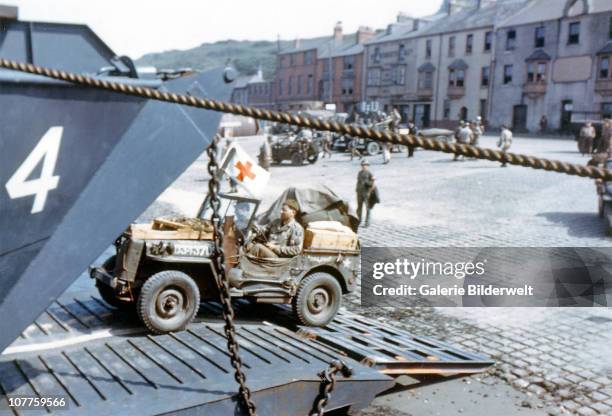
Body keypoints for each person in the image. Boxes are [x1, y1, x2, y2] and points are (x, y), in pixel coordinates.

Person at [356, 160, 376, 227]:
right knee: (359, 208)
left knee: (368, 208)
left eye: (365, 165)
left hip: (366, 193)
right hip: (359, 192)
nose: (363, 166)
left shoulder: (370, 173)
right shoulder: (359, 173)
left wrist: (370, 192)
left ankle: (367, 223)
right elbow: (358, 182)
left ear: (367, 166)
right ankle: (358, 221)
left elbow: (373, 184)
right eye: (362, 165)